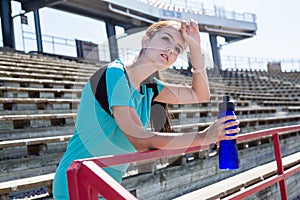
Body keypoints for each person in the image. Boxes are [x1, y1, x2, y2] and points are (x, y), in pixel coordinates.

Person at [52, 19, 240, 199]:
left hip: (106, 184)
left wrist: (195, 47)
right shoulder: (115, 74)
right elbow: (139, 139)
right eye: (166, 39)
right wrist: (202, 137)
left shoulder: (150, 88)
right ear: (146, 40)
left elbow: (200, 95)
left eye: (177, 49)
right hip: (77, 183)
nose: (170, 49)